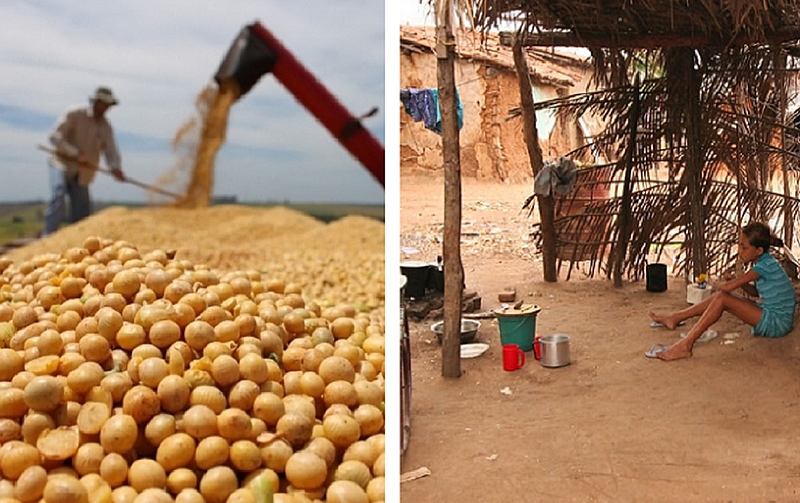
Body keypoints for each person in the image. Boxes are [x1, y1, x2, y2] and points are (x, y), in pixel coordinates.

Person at [648, 222, 797, 361]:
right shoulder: (766, 262)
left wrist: (721, 282)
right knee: (722, 297)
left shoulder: (761, 267)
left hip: (776, 322)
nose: (739, 251)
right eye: (739, 245)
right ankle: (676, 317)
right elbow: (756, 293)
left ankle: (685, 344)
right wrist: (735, 281)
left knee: (722, 298)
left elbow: (725, 289)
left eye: (744, 248)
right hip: (775, 316)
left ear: (758, 250)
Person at [43, 86, 126, 236]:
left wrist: (116, 168)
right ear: (96, 101)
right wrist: (75, 154)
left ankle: (77, 242)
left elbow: (111, 151)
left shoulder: (106, 127)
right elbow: (54, 137)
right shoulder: (75, 114)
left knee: (82, 210)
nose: (106, 108)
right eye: (104, 103)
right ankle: (48, 236)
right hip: (61, 163)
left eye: (108, 105)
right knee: (59, 193)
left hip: (83, 171)